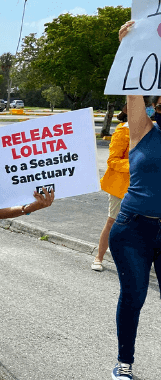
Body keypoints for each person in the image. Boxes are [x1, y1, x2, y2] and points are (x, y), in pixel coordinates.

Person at [107, 19, 161, 380]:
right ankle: (124, 362)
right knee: (135, 296)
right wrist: (131, 46)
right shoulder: (143, 128)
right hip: (133, 230)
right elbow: (133, 87)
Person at [93, 105, 130, 271]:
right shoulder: (123, 131)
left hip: (145, 187)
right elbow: (112, 161)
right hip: (121, 187)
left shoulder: (152, 130)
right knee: (112, 221)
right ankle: (98, 258)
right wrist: (137, 164)